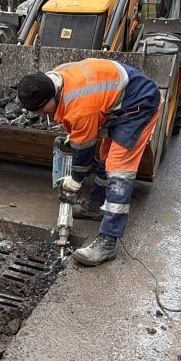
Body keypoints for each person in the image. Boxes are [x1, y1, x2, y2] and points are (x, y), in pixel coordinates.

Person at [16, 59, 160, 266]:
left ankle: (108, 243)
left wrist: (75, 181)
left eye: (41, 109)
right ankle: (94, 205)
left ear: (51, 96)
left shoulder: (80, 106)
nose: (40, 115)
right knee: (105, 155)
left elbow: (83, 152)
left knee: (119, 170)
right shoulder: (54, 79)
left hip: (139, 103)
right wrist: (75, 134)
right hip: (118, 97)